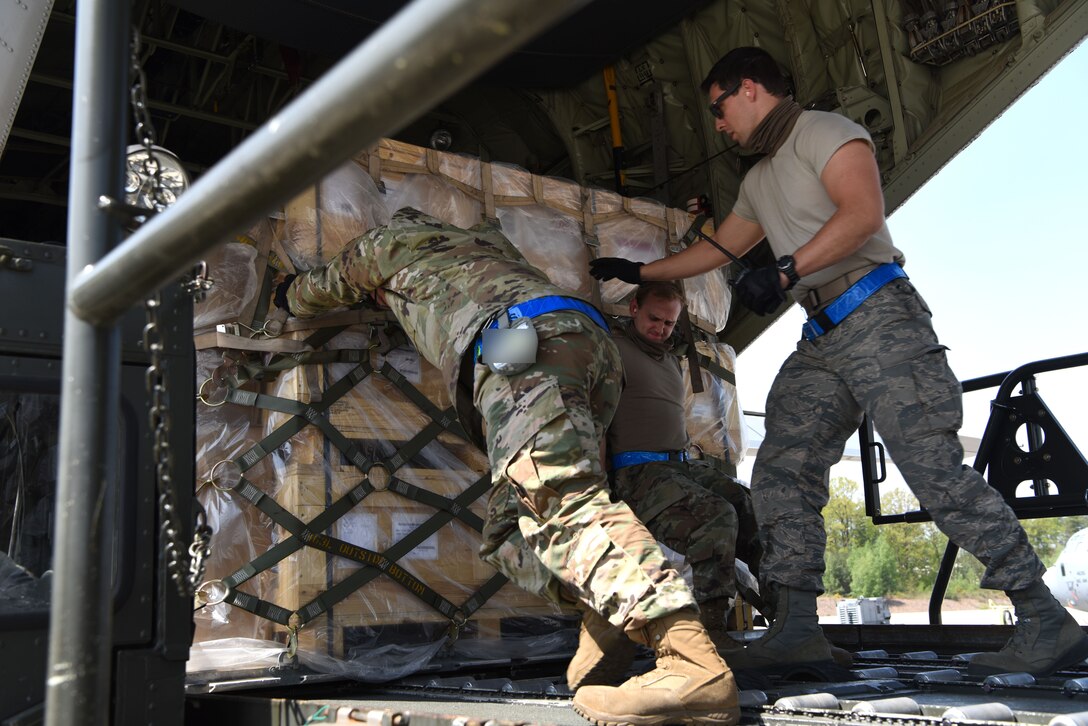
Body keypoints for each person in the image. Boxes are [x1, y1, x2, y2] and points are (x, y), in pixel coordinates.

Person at [589, 46, 1088, 677]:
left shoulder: (825, 132)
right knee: (781, 470)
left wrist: (788, 268)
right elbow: (718, 249)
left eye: (718, 109)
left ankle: (1044, 617)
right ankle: (797, 628)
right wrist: (640, 271)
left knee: (932, 470)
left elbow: (863, 215)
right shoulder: (757, 179)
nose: (718, 125)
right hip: (822, 335)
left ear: (749, 89)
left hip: (879, 315)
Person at [277, 206, 739, 725]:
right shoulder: (487, 245)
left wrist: (282, 293)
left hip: (521, 340)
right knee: (505, 532)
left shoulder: (387, 243)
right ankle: (606, 601)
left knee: (560, 497)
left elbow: (315, 292)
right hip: (584, 345)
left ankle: (691, 661)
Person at [607, 281, 763, 652]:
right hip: (638, 472)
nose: (660, 327)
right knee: (717, 515)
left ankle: (781, 609)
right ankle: (712, 627)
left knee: (752, 505)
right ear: (634, 309)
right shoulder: (612, 350)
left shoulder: (670, 359)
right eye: (653, 318)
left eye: (668, 322)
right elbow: (593, 419)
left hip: (679, 467)